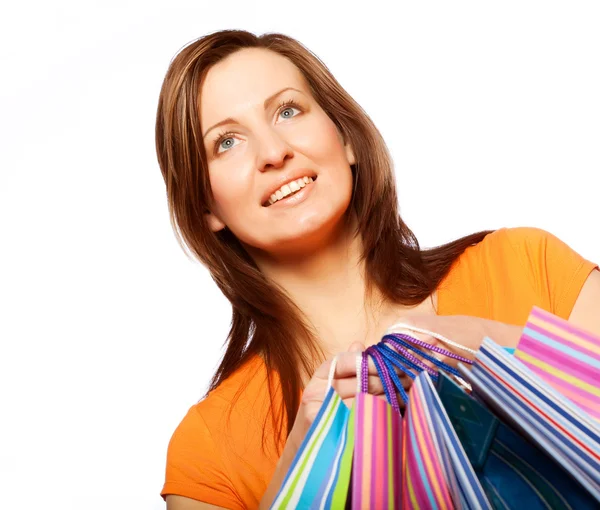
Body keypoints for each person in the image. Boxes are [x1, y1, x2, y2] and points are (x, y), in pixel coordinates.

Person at [154, 29, 600, 509]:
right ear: (206, 207)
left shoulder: (528, 268)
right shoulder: (210, 452)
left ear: (344, 137)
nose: (273, 152)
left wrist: (486, 346)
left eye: (288, 110)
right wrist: (301, 476)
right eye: (226, 142)